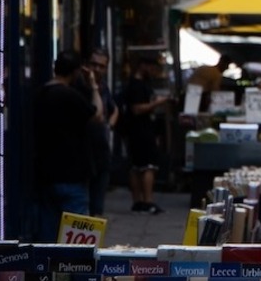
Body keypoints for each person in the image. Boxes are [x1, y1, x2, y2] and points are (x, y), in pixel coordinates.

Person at [33, 50, 101, 241]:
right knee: (77, 236)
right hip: (73, 176)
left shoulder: (39, 95)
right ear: (76, 72)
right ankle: (76, 270)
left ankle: (45, 270)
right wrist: (93, 86)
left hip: (46, 175)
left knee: (47, 233)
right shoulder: (70, 95)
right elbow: (97, 115)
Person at [122, 54, 166, 215]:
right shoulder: (137, 86)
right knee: (148, 166)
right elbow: (137, 108)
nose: (153, 72)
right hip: (141, 130)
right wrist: (157, 103)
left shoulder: (139, 84)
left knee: (136, 166)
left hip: (135, 130)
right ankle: (147, 201)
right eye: (151, 68)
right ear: (143, 65)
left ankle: (138, 201)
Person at [86, 49, 118, 217]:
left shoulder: (104, 86)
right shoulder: (83, 85)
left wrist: (109, 126)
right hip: (84, 154)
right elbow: (97, 114)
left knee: (97, 207)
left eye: (101, 66)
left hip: (102, 151)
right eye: (94, 64)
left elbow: (114, 109)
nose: (97, 69)